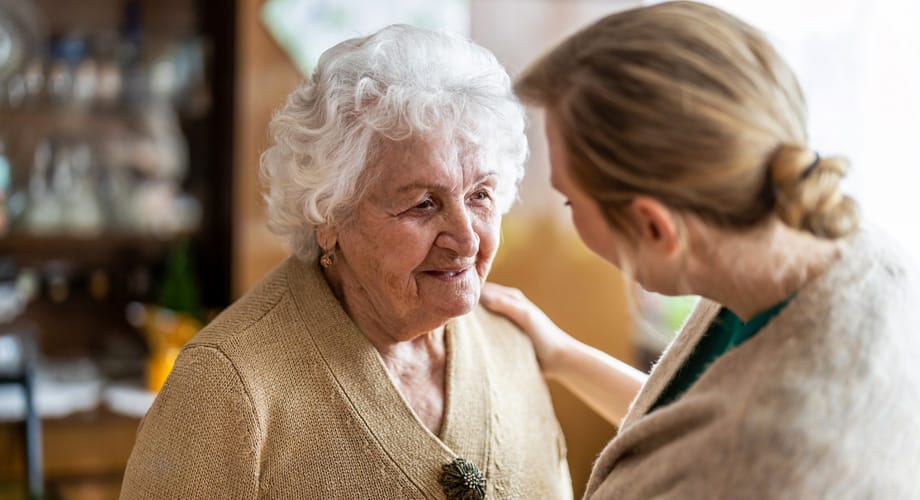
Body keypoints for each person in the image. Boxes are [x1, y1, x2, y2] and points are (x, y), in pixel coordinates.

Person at [481, 2, 920, 498]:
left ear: (653, 226)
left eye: (568, 199)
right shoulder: (832, 246)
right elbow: (688, 424)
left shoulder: (768, 463)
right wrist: (561, 354)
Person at [121, 25, 572, 499]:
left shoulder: (513, 346)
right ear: (328, 213)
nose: (465, 238)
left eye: (480, 195)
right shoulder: (225, 387)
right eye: (422, 203)